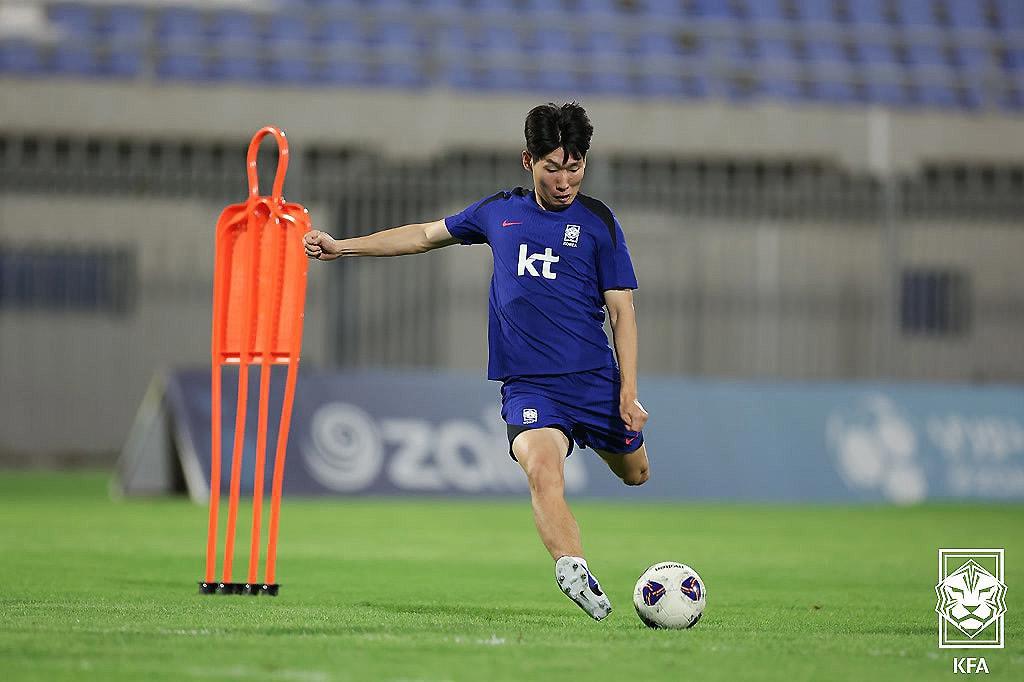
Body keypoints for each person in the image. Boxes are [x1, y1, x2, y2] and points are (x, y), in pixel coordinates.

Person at [302, 102, 649, 621]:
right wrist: (342, 247)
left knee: (636, 473)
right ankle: (571, 565)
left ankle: (599, 441)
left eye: (574, 167)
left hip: (596, 380)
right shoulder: (498, 212)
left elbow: (622, 312)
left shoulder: (598, 223)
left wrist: (627, 393)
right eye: (552, 168)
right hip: (531, 387)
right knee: (542, 469)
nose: (563, 180)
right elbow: (422, 235)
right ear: (527, 160)